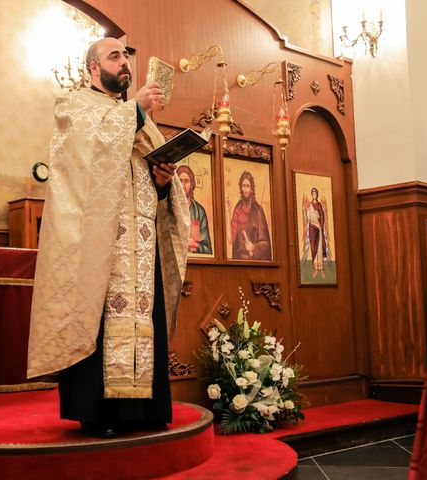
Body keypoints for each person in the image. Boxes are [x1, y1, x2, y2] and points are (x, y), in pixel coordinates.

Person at [27, 37, 190, 439]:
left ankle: (144, 412)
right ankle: (99, 413)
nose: (123, 63)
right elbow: (91, 153)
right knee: (99, 324)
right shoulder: (74, 107)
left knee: (143, 321)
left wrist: (162, 182)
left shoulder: (135, 117)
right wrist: (136, 109)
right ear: (93, 69)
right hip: (100, 247)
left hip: (140, 241)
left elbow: (145, 177)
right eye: (113, 56)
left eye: (125, 56)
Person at [228, 170, 271, 260]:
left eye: (247, 186)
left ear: (251, 189)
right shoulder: (238, 208)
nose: (245, 190)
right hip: (238, 260)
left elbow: (265, 243)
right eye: (243, 186)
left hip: (253, 261)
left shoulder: (258, 211)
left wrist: (254, 247)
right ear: (240, 188)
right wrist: (227, 211)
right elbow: (231, 239)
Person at [176, 165, 212, 254]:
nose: (183, 185)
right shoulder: (170, 208)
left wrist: (195, 245)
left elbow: (208, 250)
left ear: (192, 184)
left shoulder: (199, 211)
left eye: (186, 181)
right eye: (180, 181)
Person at [304, 187, 330, 277]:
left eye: (315, 194)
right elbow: (308, 218)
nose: (314, 195)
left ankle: (321, 269)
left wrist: (320, 225)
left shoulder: (319, 205)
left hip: (319, 229)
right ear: (312, 195)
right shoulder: (310, 206)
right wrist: (311, 215)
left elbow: (322, 217)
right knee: (314, 248)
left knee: (319, 249)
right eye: (313, 194)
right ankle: (315, 269)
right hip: (312, 229)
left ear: (317, 194)